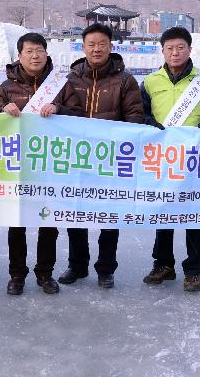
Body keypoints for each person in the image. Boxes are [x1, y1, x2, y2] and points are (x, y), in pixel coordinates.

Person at [140, 26, 200, 292]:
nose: (175, 53)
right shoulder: (150, 81)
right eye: (170, 48)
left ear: (189, 49)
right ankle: (163, 264)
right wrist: (149, 125)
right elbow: (138, 112)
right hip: (163, 157)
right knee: (164, 212)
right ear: (163, 51)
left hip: (195, 157)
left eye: (180, 48)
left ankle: (193, 269)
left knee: (194, 213)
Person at [0, 32, 83, 295]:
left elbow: (78, 115)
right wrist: (2, 110)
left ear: (46, 54)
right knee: (17, 223)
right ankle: (17, 274)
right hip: (18, 167)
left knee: (48, 223)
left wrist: (59, 110)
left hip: (51, 166)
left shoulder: (61, 85)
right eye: (29, 51)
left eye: (39, 50)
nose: (35, 56)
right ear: (19, 56)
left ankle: (45, 274)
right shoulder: (6, 87)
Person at [58, 23, 144, 289]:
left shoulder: (125, 80)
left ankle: (106, 268)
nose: (97, 49)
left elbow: (134, 118)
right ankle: (77, 265)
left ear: (111, 46)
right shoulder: (70, 79)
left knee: (110, 215)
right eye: (91, 44)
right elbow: (62, 114)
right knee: (75, 213)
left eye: (102, 44)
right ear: (83, 47)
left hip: (111, 160)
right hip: (78, 159)